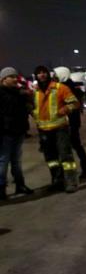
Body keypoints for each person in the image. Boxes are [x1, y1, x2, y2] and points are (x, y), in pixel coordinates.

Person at [32, 65, 80, 192]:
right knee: (51, 158)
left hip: (60, 128)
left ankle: (71, 181)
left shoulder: (60, 88)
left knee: (65, 156)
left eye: (44, 72)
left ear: (49, 74)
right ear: (36, 76)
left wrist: (65, 109)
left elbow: (75, 103)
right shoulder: (34, 91)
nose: (42, 75)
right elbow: (32, 108)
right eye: (39, 73)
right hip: (44, 130)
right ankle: (57, 181)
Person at [0, 67, 34, 199]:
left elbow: (27, 108)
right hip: (5, 133)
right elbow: (11, 106)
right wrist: (22, 94)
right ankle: (1, 188)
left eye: (16, 76)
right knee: (3, 161)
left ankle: (20, 185)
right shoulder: (4, 94)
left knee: (16, 161)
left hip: (19, 131)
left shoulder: (18, 92)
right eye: (12, 77)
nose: (15, 79)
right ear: (3, 79)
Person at [54, 66, 86, 178]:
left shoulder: (65, 88)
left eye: (56, 76)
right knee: (76, 145)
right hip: (71, 121)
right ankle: (85, 167)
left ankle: (78, 170)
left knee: (70, 147)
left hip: (69, 121)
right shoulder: (71, 86)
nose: (54, 78)